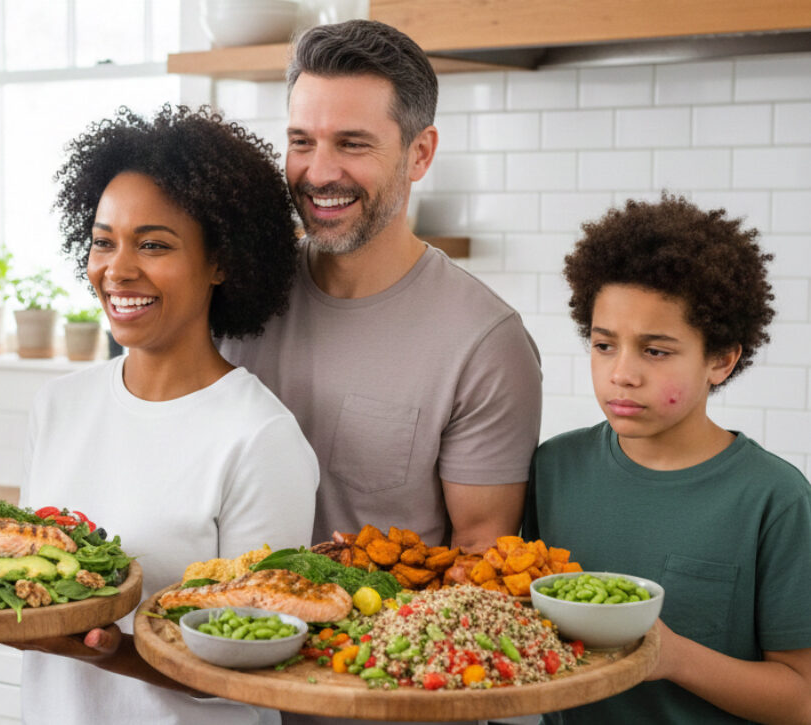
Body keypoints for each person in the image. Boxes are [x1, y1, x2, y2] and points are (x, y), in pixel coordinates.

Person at [12, 105, 319, 724]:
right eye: (103, 241)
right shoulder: (59, 406)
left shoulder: (259, 438)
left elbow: (254, 664)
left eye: (154, 245)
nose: (117, 270)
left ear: (221, 262)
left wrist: (110, 651)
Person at [220, 20, 542, 555]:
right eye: (302, 141)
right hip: (219, 628)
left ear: (420, 154)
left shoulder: (485, 343)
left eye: (352, 144)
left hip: (379, 638)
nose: (319, 172)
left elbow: (480, 560)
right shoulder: (236, 292)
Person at [523, 194, 811, 724]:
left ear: (721, 360)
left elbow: (801, 699)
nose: (622, 374)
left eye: (655, 351)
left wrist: (672, 658)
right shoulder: (552, 469)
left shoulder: (776, 498)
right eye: (604, 345)